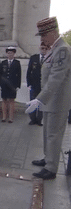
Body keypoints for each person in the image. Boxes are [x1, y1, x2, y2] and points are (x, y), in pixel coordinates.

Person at [27, 17, 71, 180]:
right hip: (50, 101)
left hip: (57, 101)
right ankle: (48, 159)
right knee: (47, 133)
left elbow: (56, 78)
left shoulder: (62, 50)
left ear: (53, 32)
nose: (42, 39)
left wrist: (39, 99)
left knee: (53, 135)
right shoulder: (55, 48)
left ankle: (51, 168)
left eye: (43, 35)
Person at [0, 47, 21, 123]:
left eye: (11, 53)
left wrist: (18, 85)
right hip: (4, 85)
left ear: (14, 54)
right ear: (6, 54)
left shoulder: (17, 63)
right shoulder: (3, 63)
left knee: (11, 101)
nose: (10, 54)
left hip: (12, 85)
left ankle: (11, 117)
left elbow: (19, 75)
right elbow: (0, 74)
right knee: (4, 100)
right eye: (8, 53)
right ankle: (4, 117)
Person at [26, 43, 47, 126]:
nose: (44, 50)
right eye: (42, 48)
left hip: (43, 86)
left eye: (45, 48)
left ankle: (39, 120)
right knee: (32, 103)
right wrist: (29, 83)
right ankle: (32, 119)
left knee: (41, 104)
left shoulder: (49, 58)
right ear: (39, 48)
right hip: (34, 85)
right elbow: (29, 71)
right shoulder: (34, 57)